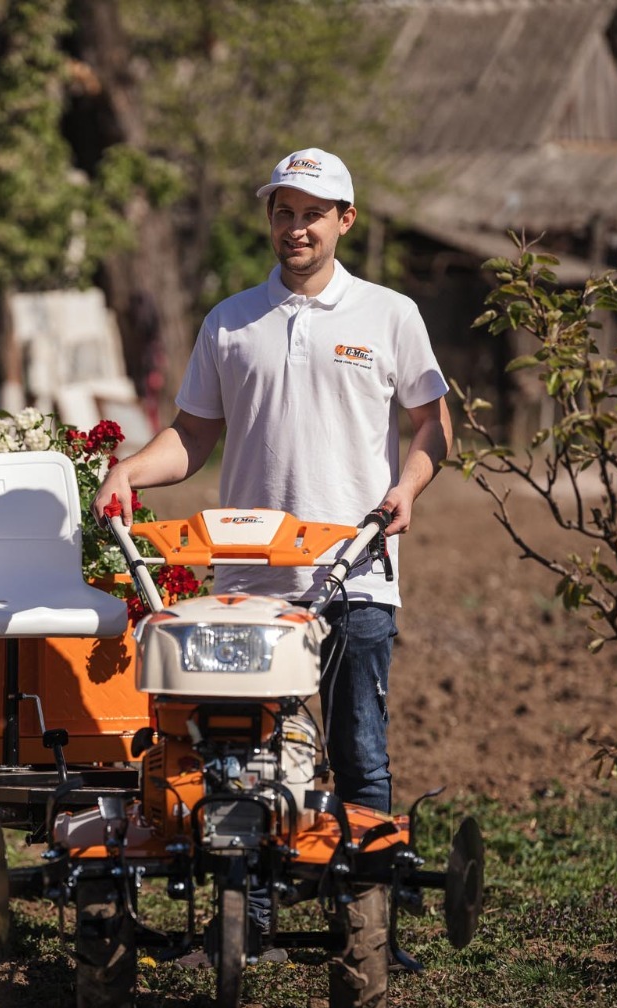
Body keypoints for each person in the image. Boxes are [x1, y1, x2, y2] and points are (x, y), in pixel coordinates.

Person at [93, 147, 452, 816]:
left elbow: (434, 425)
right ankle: (246, 917)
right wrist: (131, 471)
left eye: (314, 214)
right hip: (249, 581)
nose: (298, 228)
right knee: (238, 762)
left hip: (356, 569)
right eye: (284, 212)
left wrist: (405, 489)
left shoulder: (389, 314)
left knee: (360, 757)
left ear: (346, 219)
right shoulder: (228, 322)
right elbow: (194, 435)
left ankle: (360, 912)